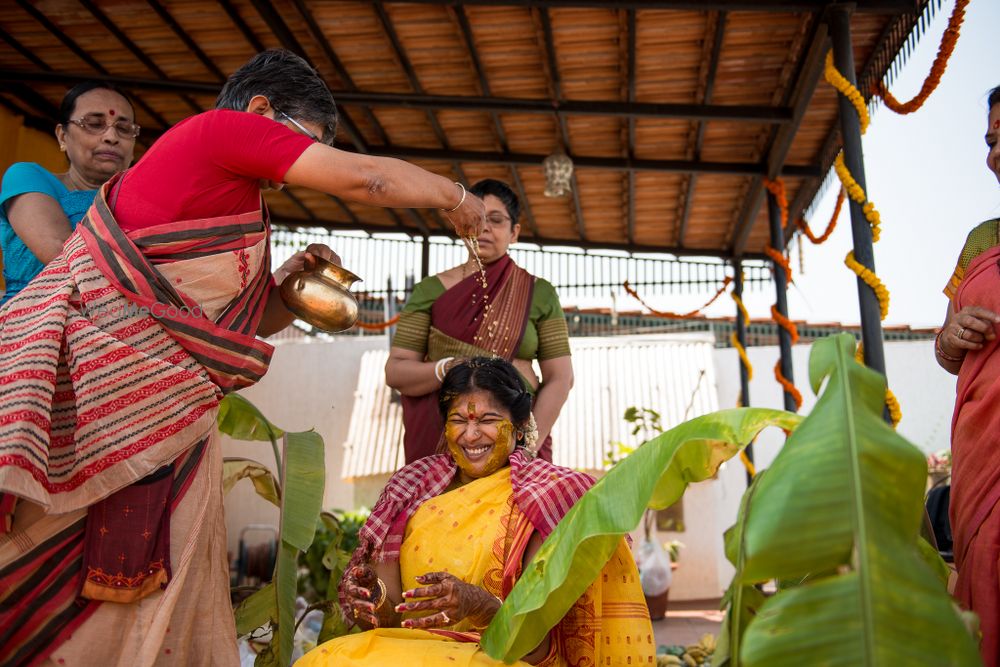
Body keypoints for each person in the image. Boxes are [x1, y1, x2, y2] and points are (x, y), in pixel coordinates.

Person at [0, 49, 484, 666]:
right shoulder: (217, 131)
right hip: (85, 390)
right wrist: (456, 197)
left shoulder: (242, 206)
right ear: (259, 110)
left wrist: (285, 289)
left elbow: (239, 328)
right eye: (304, 141)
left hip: (164, 422)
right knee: (33, 559)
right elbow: (371, 179)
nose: (289, 172)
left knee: (153, 588)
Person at [297, 357, 653, 667]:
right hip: (414, 651)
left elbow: (534, 645)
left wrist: (478, 605)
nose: (470, 435)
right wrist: (372, 601)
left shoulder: (544, 496)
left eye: (487, 419)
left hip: (500, 656)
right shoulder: (410, 489)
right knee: (324, 659)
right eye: (458, 420)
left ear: (518, 425)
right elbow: (391, 621)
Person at [385, 179, 573, 464]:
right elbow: (396, 371)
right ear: (461, 225)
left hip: (515, 442)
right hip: (443, 441)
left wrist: (527, 447)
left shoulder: (539, 293)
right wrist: (447, 367)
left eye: (496, 220)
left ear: (515, 232)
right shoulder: (429, 291)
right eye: (476, 219)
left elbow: (561, 378)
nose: (484, 228)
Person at [936, 84, 1000, 667]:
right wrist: (952, 336)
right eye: (991, 139)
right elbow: (943, 345)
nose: (996, 152)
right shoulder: (982, 240)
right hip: (984, 455)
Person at [0, 81, 137, 304]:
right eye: (94, 123)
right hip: (32, 327)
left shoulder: (141, 198)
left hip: (126, 325)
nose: (111, 136)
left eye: (124, 128)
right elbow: (60, 254)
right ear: (63, 136)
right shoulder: (27, 176)